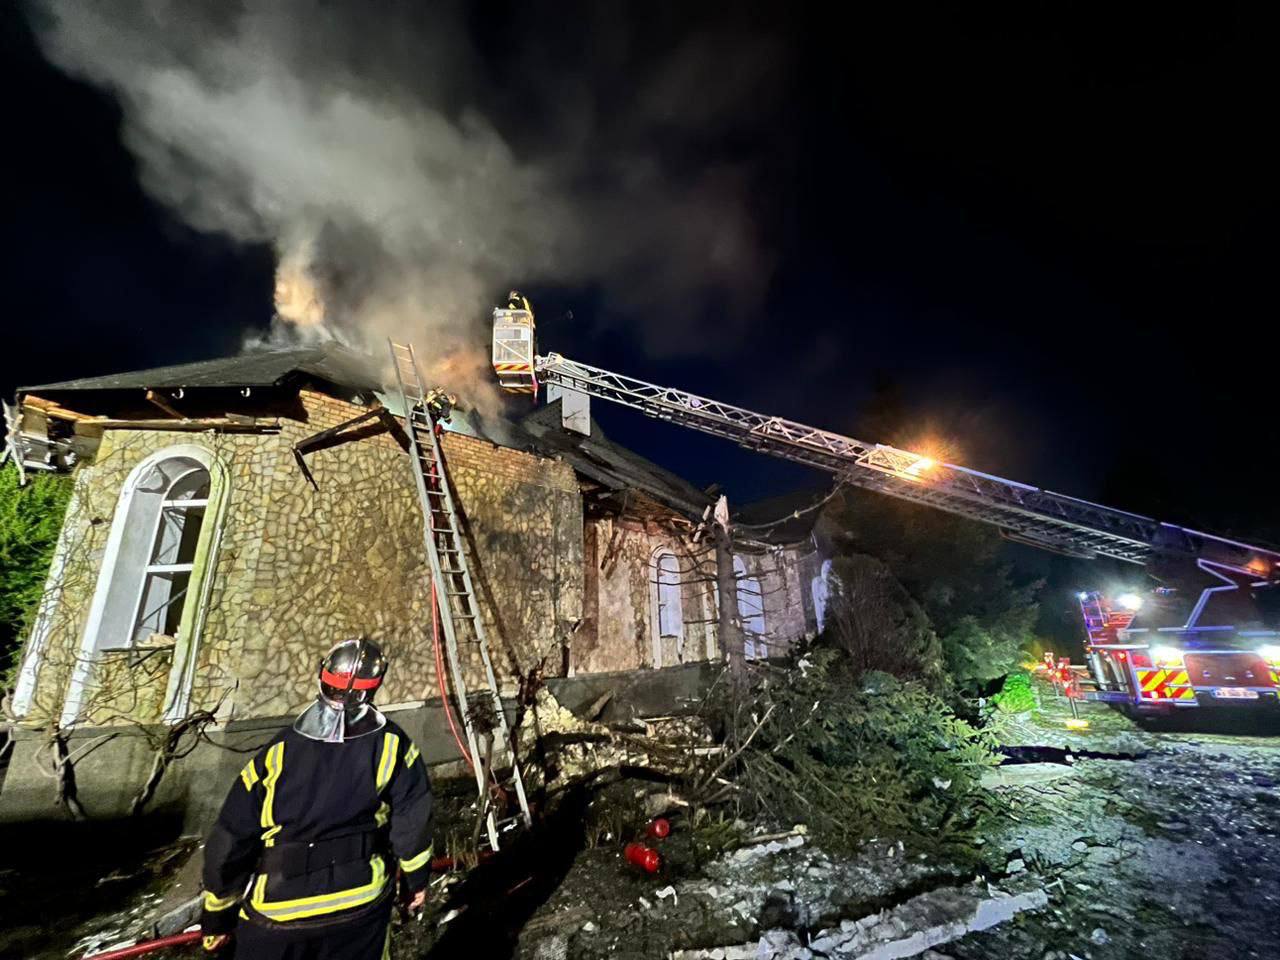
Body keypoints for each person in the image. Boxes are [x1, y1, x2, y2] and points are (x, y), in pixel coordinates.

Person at [200, 638, 433, 958]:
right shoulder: (393, 746)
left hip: (278, 913)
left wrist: (216, 917)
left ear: (323, 679)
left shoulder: (277, 753)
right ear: (375, 686)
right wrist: (417, 882)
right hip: (360, 905)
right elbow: (413, 821)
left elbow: (230, 838)